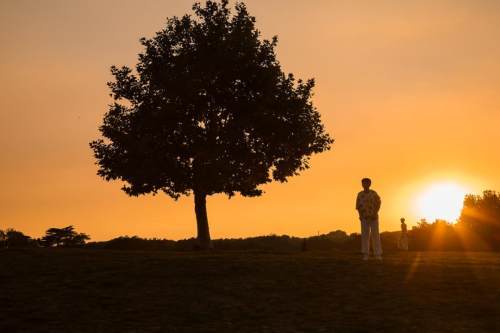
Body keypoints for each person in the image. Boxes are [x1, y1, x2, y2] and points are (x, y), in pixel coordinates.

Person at [356, 178, 382, 260]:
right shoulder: (360, 194)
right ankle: (365, 254)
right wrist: (360, 215)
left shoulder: (374, 193)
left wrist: (375, 212)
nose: (365, 185)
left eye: (366, 183)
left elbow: (378, 203)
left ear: (370, 184)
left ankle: (377, 254)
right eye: (363, 183)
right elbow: (358, 206)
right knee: (365, 236)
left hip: (374, 217)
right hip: (364, 217)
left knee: (375, 235)